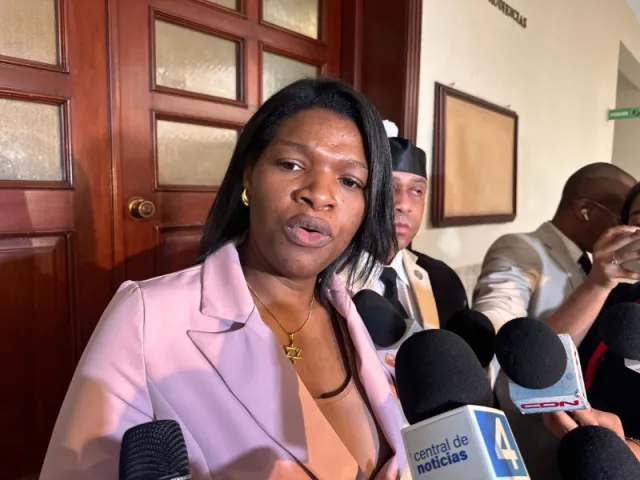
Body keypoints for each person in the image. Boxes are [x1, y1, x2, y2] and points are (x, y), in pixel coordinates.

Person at [40, 79, 407, 480]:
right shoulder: (147, 319)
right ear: (249, 175)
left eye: (350, 181)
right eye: (291, 164)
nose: (319, 195)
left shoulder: (353, 315)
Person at [473, 163, 640, 480]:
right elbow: (502, 319)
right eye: (632, 220)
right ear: (586, 211)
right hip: (547, 439)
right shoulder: (610, 282)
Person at [347, 134, 467, 332]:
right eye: (389, 187)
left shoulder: (443, 281)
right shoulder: (324, 281)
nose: (403, 204)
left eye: (416, 190)